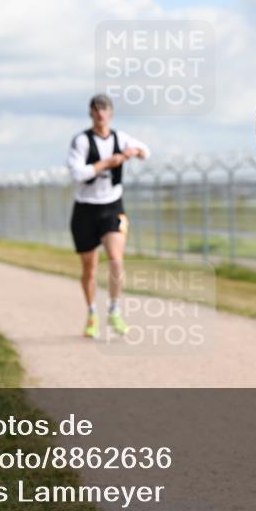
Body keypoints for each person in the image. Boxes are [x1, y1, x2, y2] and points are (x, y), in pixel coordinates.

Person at [67, 94, 149, 338]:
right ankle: (92, 312)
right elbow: (77, 173)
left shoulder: (120, 137)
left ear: (110, 113)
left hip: (112, 206)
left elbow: (146, 151)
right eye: (96, 110)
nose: (100, 114)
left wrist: (134, 152)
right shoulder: (81, 141)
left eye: (104, 109)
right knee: (89, 268)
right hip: (85, 209)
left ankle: (114, 309)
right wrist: (106, 163)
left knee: (116, 260)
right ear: (91, 114)